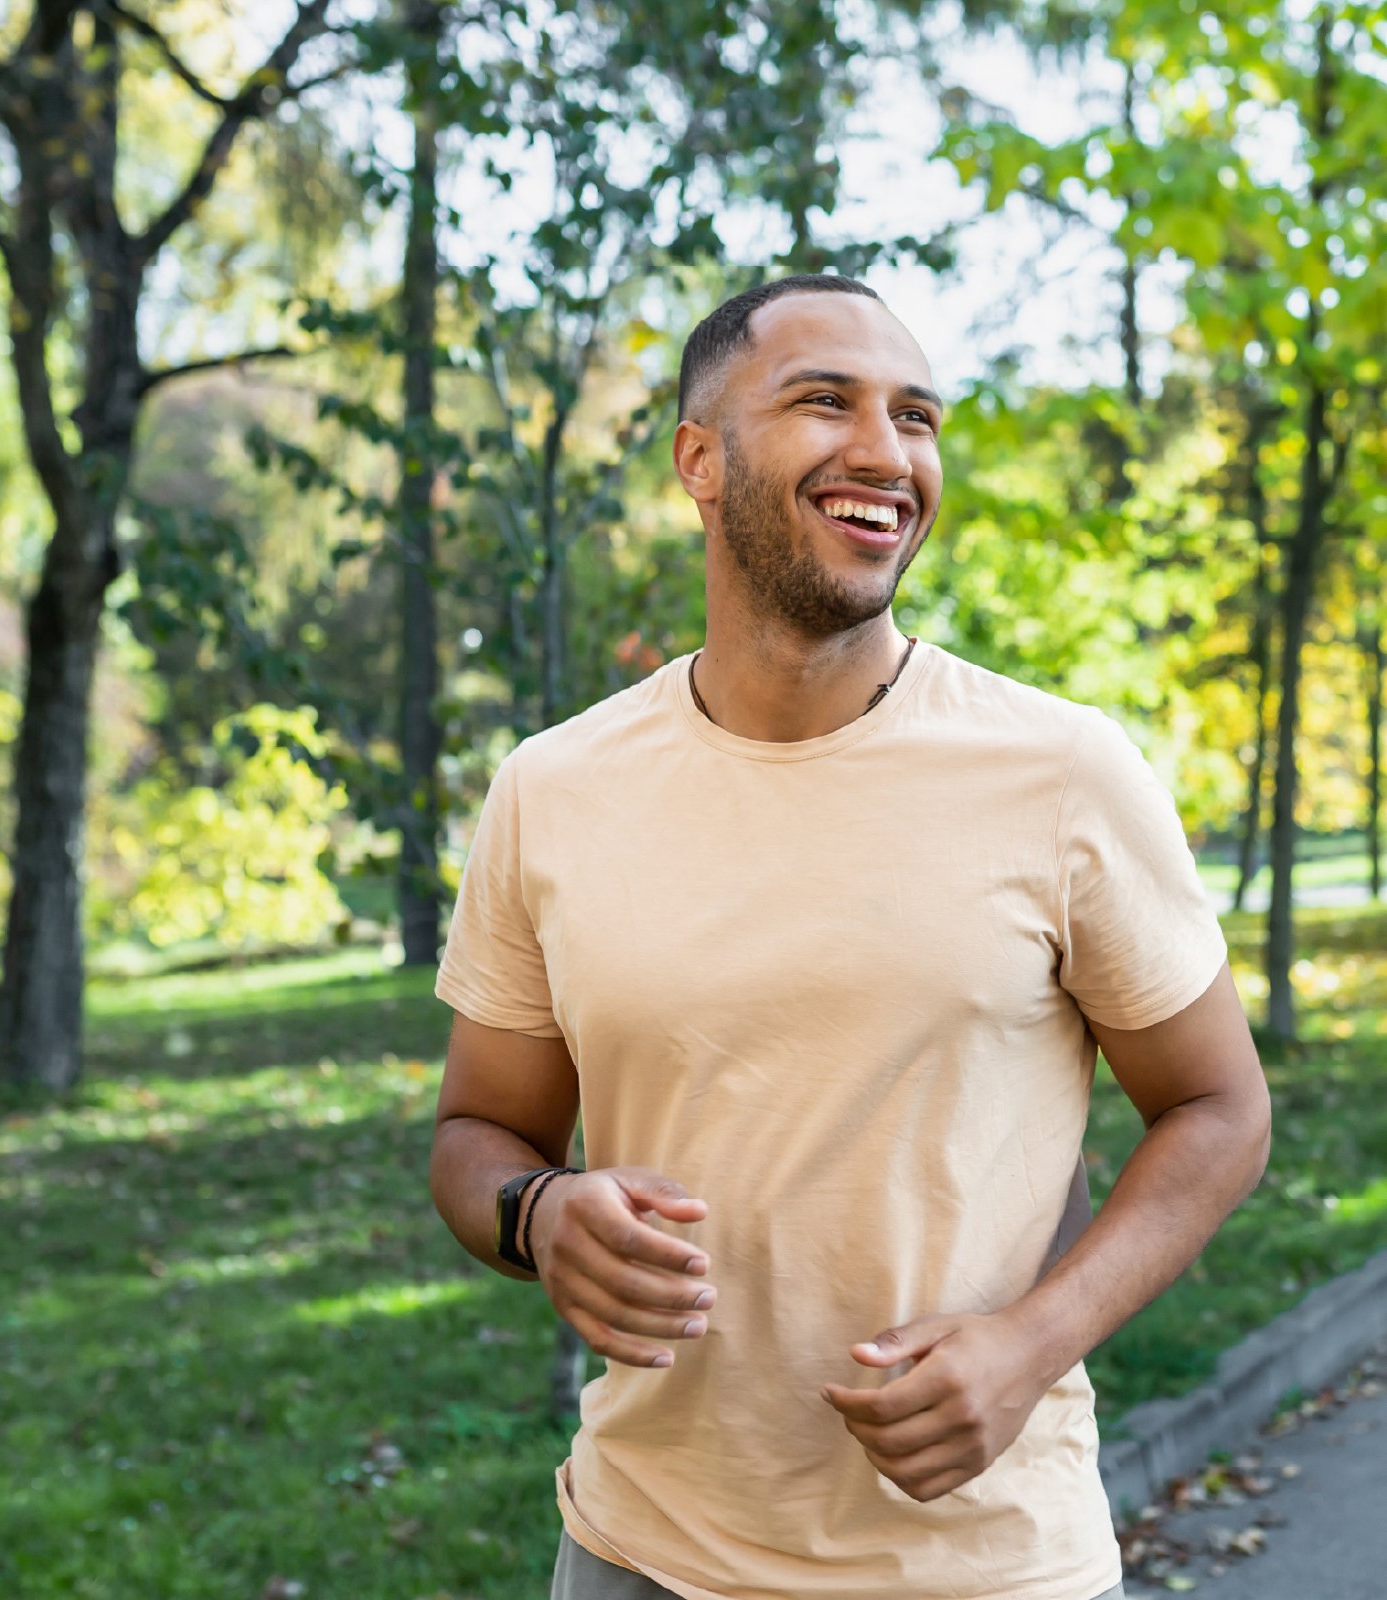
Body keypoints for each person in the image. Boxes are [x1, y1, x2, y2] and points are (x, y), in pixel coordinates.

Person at [427, 273, 1271, 1600]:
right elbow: (478, 1131)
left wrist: (1031, 1344)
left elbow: (1221, 1110)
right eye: (826, 402)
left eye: (915, 417)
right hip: (637, 1552)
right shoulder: (552, 788)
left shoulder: (1061, 772)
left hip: (988, 1566)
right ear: (700, 462)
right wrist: (537, 1216)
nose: (887, 452)